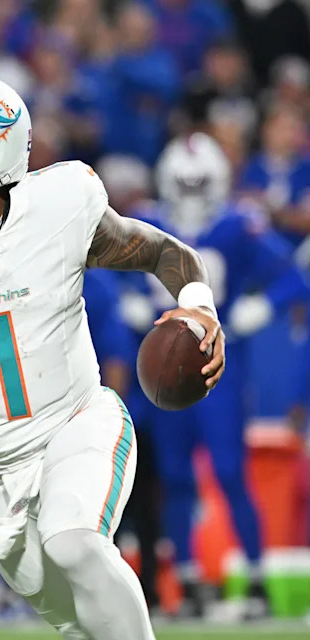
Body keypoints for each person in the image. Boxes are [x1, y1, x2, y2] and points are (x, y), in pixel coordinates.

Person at [0, 72, 227, 640]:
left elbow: (164, 252)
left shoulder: (58, 207)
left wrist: (199, 305)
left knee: (73, 540)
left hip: (74, 424)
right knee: (80, 623)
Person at [135, 133, 309, 618]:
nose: (190, 195)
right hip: (167, 369)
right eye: (183, 184)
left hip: (219, 367)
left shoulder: (238, 226)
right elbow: (105, 270)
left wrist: (260, 306)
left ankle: (255, 580)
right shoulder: (148, 222)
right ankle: (189, 583)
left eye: (199, 184)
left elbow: (294, 278)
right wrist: (130, 299)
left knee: (230, 471)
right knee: (173, 477)